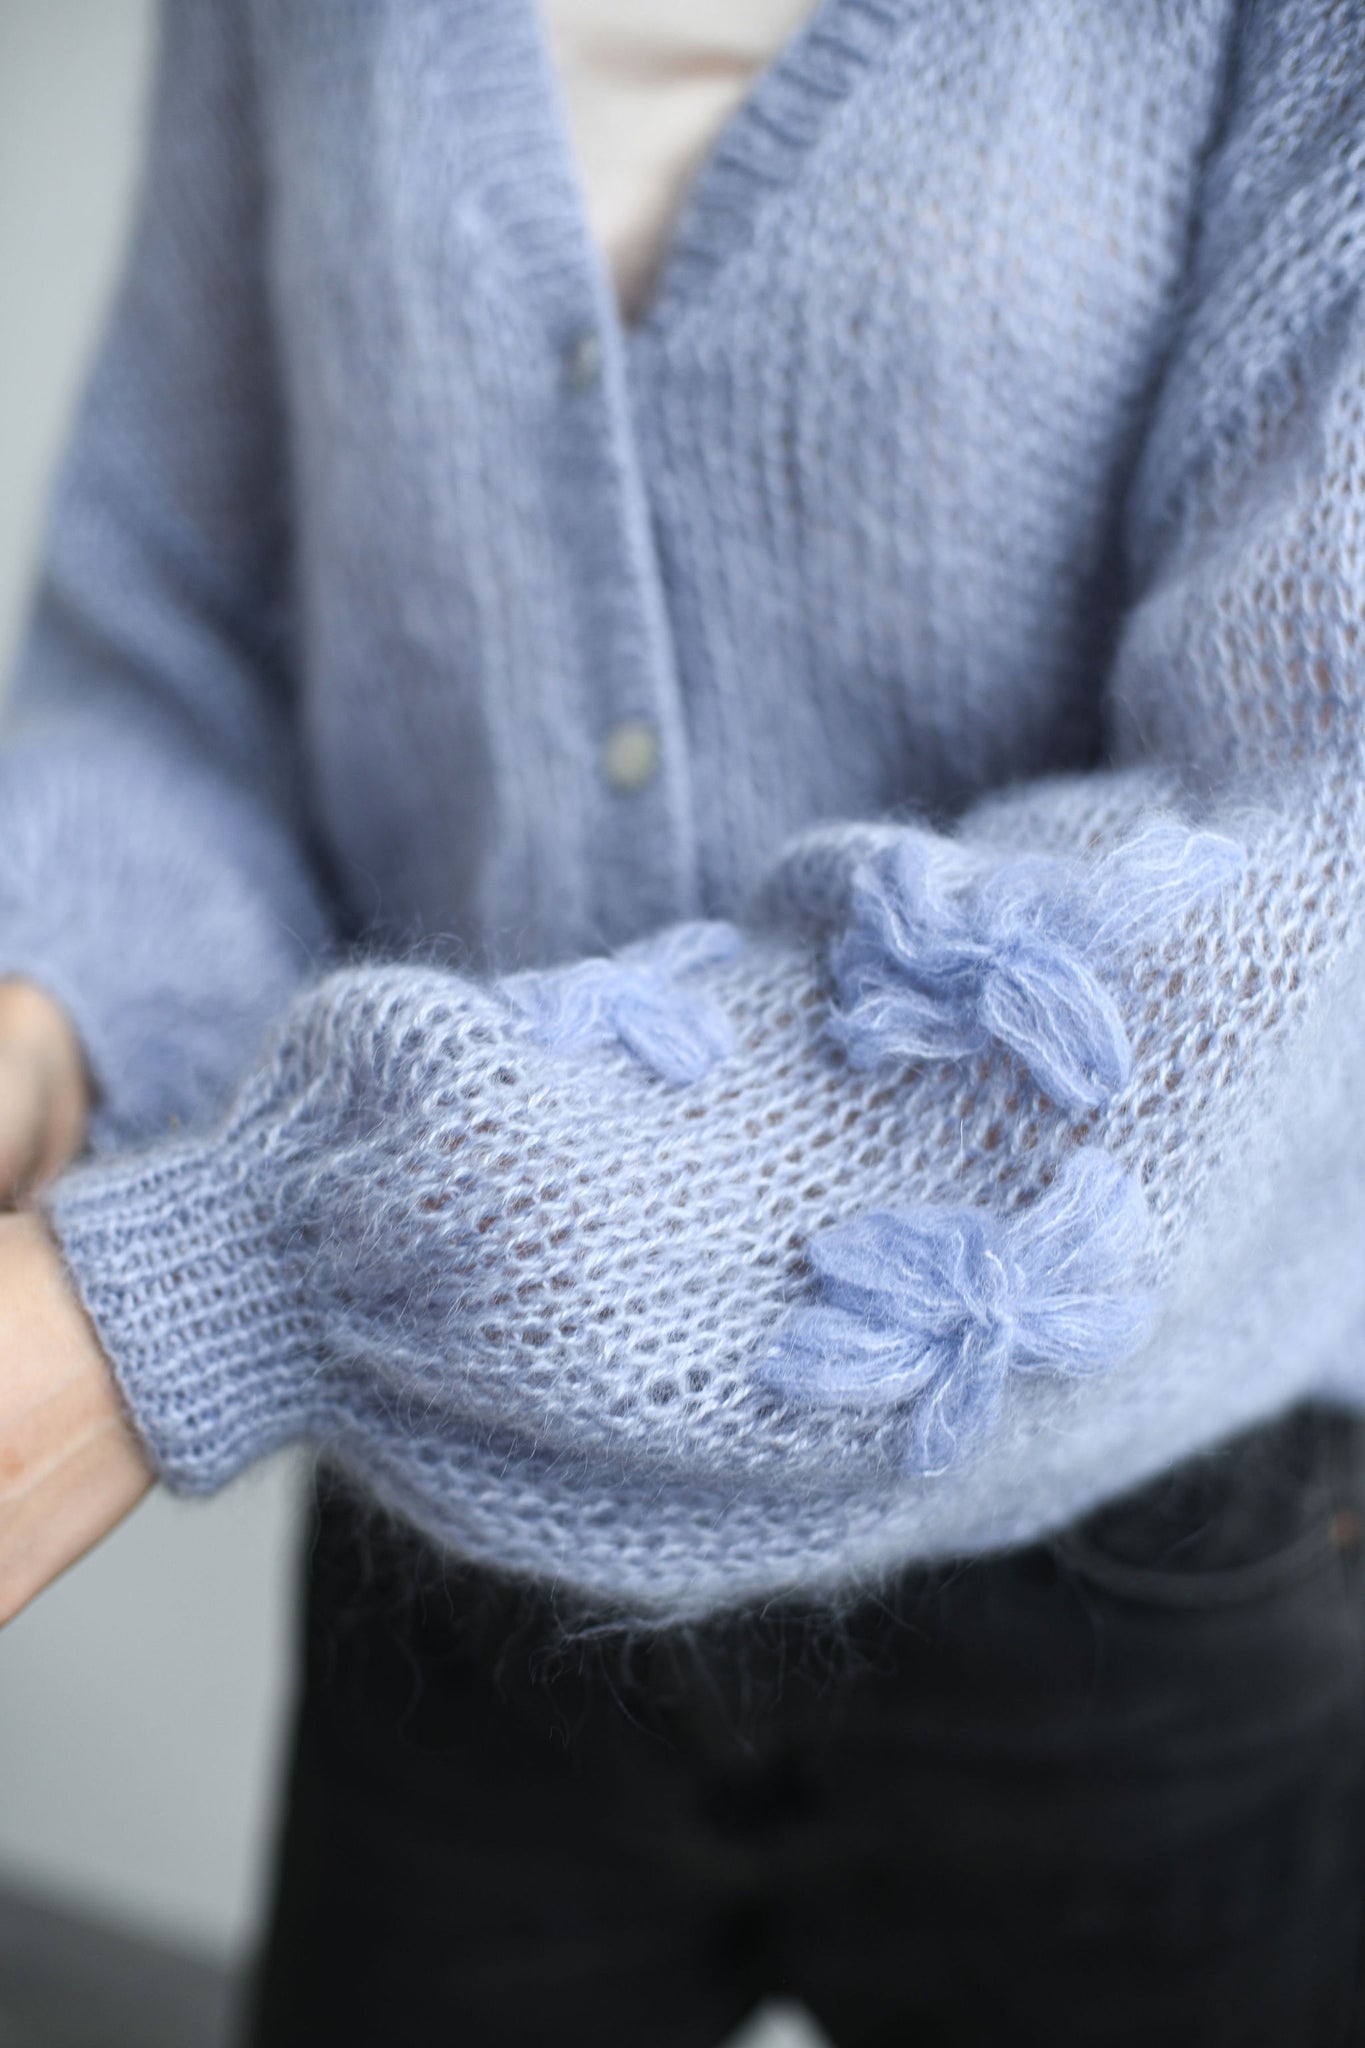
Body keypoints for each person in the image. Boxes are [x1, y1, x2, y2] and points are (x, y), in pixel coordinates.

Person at [2, 0, 1365, 2038]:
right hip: (462, 1539)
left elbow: (1281, 870)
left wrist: (208, 1289)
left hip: (1131, 1568)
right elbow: (183, 636)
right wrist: (56, 999)